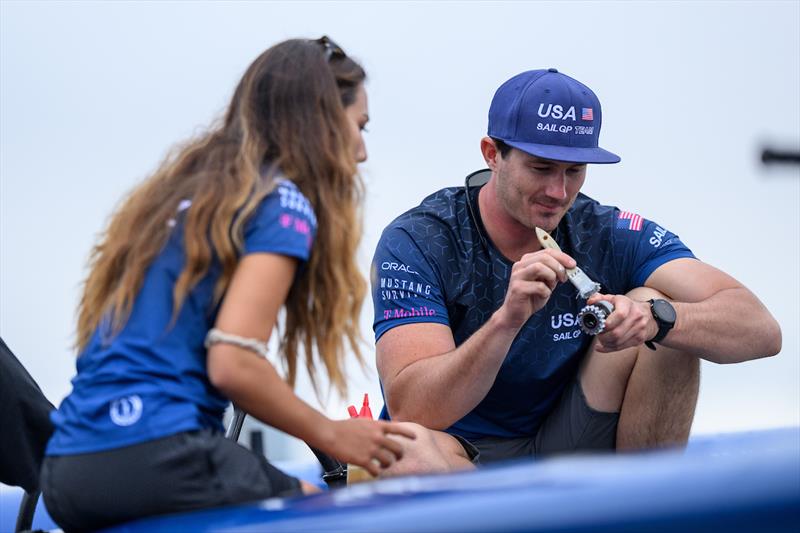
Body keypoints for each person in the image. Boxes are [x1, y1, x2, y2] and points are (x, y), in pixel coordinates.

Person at [40, 36, 419, 531]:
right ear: (322, 122)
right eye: (359, 126)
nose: (362, 152)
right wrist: (331, 433)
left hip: (67, 468)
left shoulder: (180, 200)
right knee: (326, 517)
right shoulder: (282, 204)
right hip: (159, 455)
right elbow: (233, 362)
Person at [371, 68, 782, 466]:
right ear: (492, 154)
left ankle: (643, 510)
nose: (559, 191)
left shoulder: (606, 231)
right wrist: (506, 322)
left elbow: (762, 331)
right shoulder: (420, 240)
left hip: (566, 444)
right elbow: (412, 409)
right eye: (542, 168)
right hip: (458, 456)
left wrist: (656, 320)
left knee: (659, 315)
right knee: (404, 450)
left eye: (574, 170)